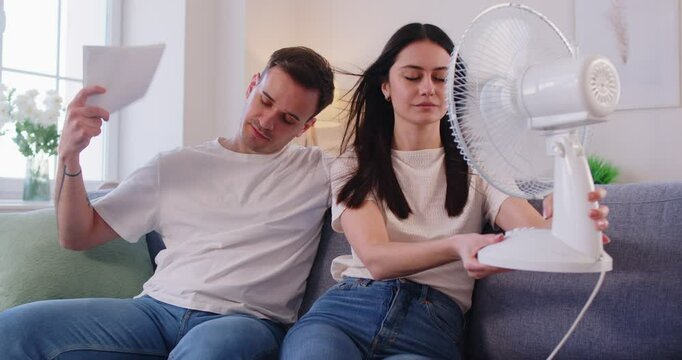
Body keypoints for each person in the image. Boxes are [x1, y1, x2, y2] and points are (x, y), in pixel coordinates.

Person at [280, 23, 610, 359]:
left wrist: (572, 219)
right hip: (345, 312)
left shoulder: (479, 166)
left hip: (429, 326)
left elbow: (535, 234)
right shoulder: (354, 164)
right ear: (385, 86)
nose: (428, 88)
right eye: (412, 77)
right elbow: (376, 258)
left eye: (441, 78)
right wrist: (456, 245)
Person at [0, 46, 334, 359]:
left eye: (288, 119)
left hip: (245, 322)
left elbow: (385, 164)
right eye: (265, 100)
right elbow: (76, 235)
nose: (267, 120)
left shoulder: (321, 170)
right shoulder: (174, 166)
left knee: (209, 348)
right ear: (252, 86)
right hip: (155, 311)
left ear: (307, 126)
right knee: (12, 329)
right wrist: (69, 155)